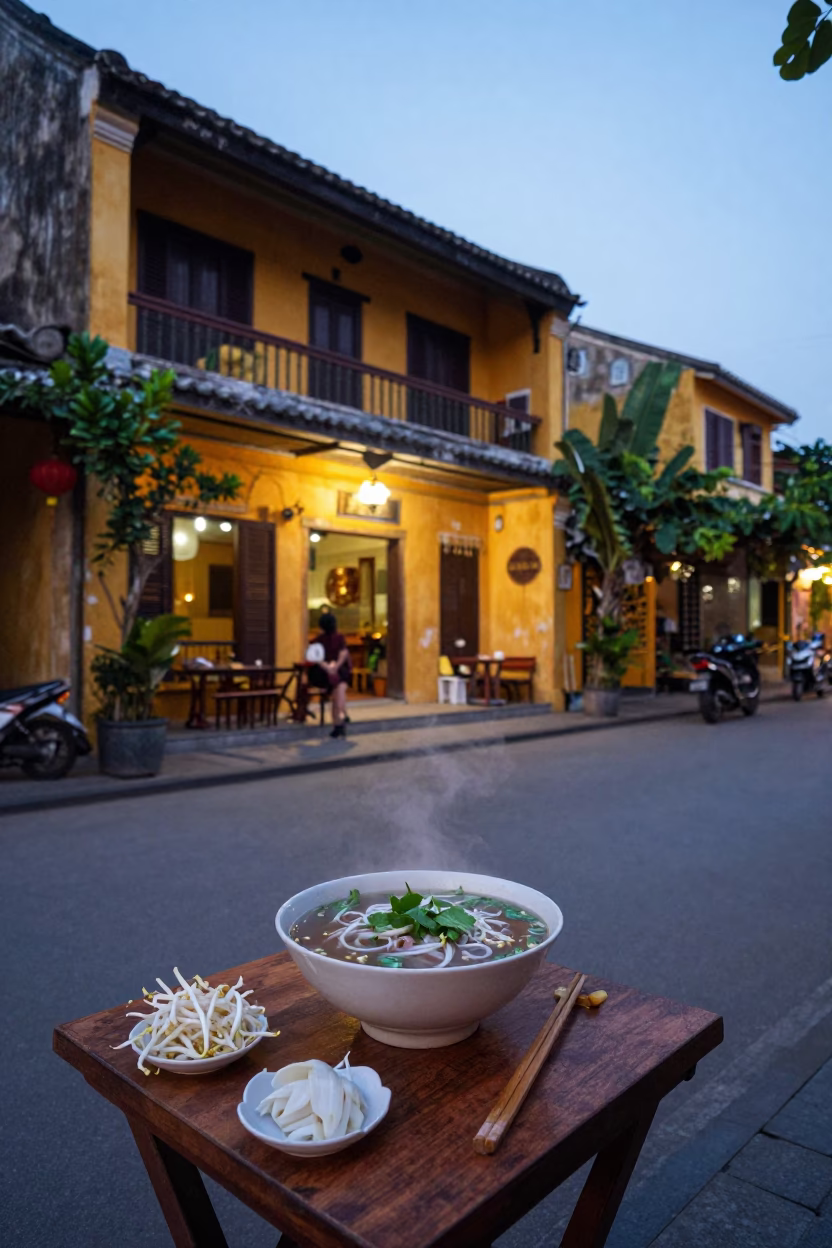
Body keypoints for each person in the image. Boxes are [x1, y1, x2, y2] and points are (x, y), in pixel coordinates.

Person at [309, 612, 352, 738]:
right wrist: (336, 666)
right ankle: (342, 719)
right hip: (340, 672)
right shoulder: (340, 638)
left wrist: (328, 668)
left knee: (336, 698)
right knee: (339, 697)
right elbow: (343, 653)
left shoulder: (317, 640)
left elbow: (316, 658)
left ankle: (338, 724)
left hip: (324, 674)